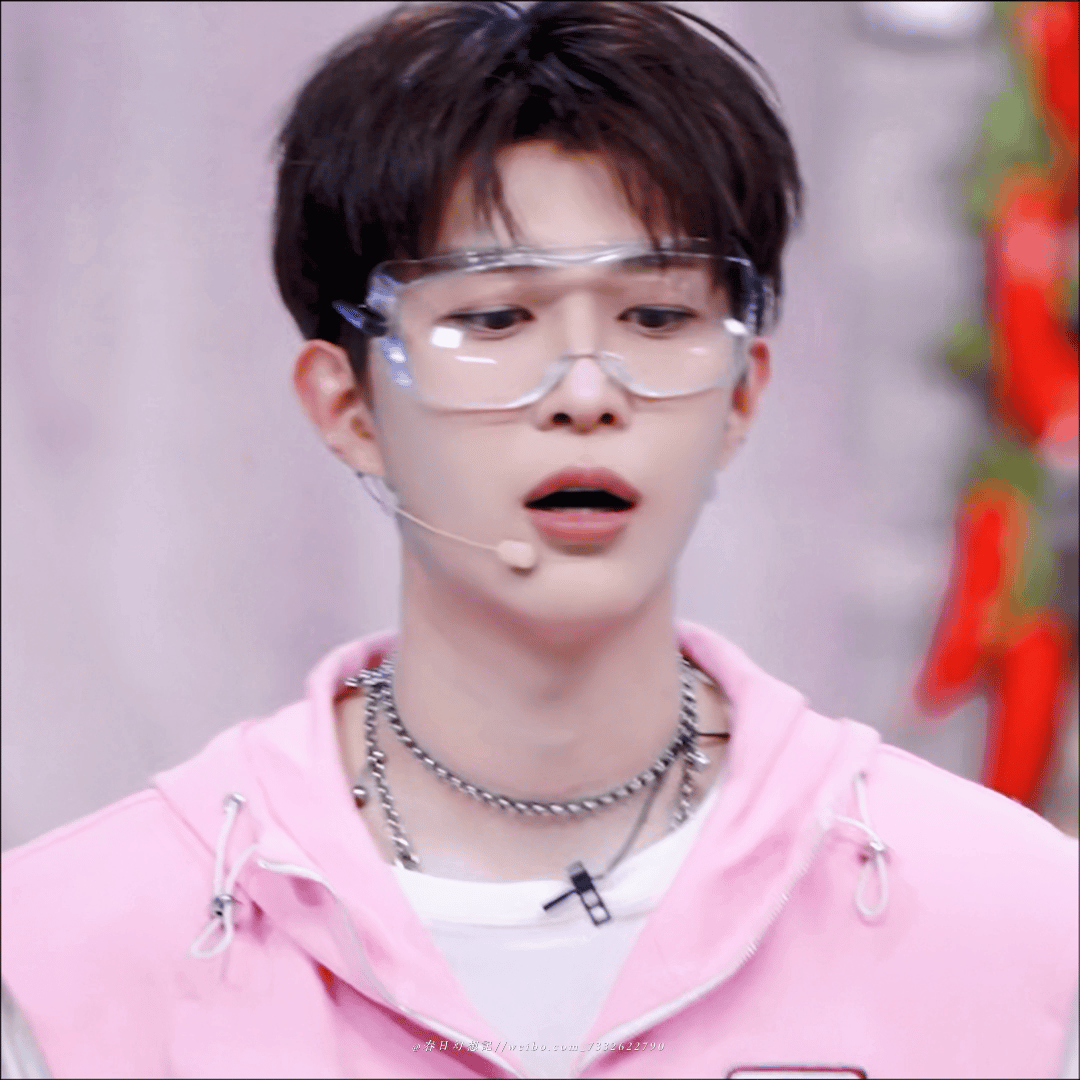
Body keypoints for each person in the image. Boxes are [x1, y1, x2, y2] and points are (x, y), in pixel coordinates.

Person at [2, 3, 1077, 1078]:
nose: (586, 393)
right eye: (495, 319)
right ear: (348, 406)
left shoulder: (1012, 926)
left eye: (655, 317)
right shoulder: (70, 958)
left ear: (743, 396)